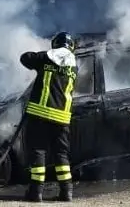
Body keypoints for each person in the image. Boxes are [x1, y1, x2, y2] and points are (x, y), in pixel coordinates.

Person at [19, 31, 79, 202]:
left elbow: (25, 58)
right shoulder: (73, 67)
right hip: (62, 119)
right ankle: (66, 192)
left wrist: (41, 56)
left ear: (55, 44)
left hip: (40, 115)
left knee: (38, 151)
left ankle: (36, 193)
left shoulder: (45, 58)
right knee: (61, 155)